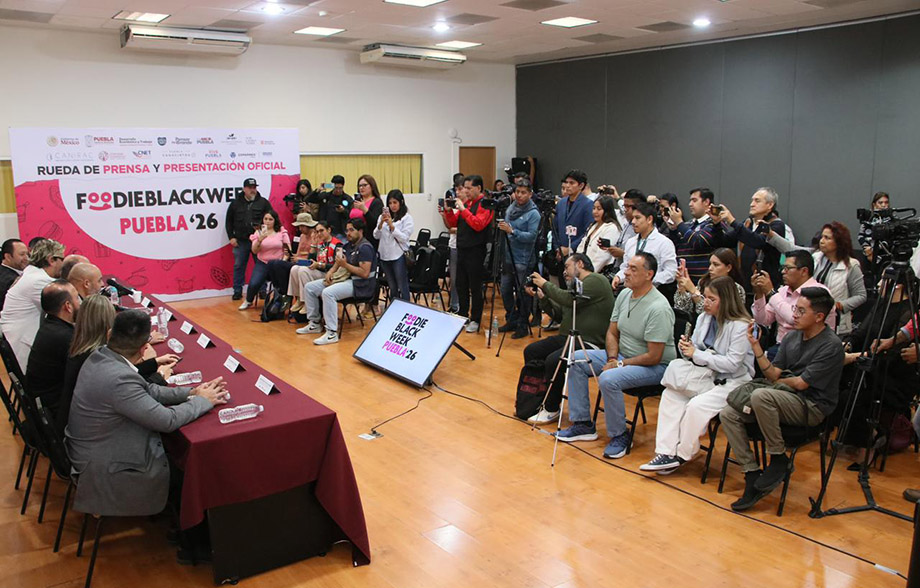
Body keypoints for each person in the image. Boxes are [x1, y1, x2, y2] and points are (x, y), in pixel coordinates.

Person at [65, 310, 228, 518]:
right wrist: (203, 401)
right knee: (193, 473)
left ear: (109, 334)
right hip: (105, 468)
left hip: (91, 450)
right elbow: (167, 420)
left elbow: (148, 389)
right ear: (144, 349)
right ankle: (188, 531)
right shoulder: (120, 379)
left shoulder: (99, 356)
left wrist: (191, 392)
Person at [720, 288, 843, 512]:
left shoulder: (831, 345)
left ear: (819, 317)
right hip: (782, 398)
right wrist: (756, 347)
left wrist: (778, 382)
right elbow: (773, 374)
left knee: (761, 395)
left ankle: (778, 458)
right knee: (728, 413)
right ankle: (751, 472)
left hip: (811, 407)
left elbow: (802, 384)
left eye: (801, 311)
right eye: (795, 308)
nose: (794, 314)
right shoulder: (792, 337)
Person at [557, 252, 677, 459]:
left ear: (649, 274)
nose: (626, 273)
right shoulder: (624, 295)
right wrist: (613, 359)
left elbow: (654, 356)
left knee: (608, 378)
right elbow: (612, 332)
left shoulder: (659, 307)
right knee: (576, 358)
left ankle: (620, 435)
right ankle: (583, 423)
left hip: (656, 367)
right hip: (622, 357)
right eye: (627, 267)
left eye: (633, 269)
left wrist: (620, 364)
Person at [641, 276, 754, 473]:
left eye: (712, 299)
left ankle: (682, 454)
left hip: (733, 382)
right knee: (671, 393)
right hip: (707, 374)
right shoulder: (704, 318)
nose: (705, 302)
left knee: (696, 406)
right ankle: (665, 452)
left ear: (726, 301)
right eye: (705, 297)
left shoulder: (741, 326)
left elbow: (732, 364)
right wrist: (686, 347)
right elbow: (697, 351)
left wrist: (698, 354)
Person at [523, 254, 615, 423]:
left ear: (580, 264)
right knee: (532, 351)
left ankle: (551, 408)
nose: (564, 272)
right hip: (568, 337)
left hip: (590, 342)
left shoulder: (596, 280)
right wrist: (543, 297)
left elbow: (567, 299)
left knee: (554, 360)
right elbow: (559, 315)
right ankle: (536, 399)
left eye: (567, 267)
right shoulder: (575, 288)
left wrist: (544, 283)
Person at [298, 218, 377, 345]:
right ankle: (315, 323)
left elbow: (364, 273)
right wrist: (331, 271)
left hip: (360, 284)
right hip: (346, 279)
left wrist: (345, 265)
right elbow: (338, 261)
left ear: (360, 231)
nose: (348, 233)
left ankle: (331, 333)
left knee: (328, 293)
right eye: (347, 230)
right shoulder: (348, 246)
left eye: (351, 230)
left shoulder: (365, 248)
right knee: (309, 287)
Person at [751, 249, 835, 358]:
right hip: (781, 346)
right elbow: (762, 320)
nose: (783, 272)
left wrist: (770, 293)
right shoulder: (782, 291)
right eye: (782, 268)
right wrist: (759, 294)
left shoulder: (819, 292)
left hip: (810, 349)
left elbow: (794, 318)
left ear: (804, 271)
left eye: (788, 268)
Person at [0, 238, 66, 372]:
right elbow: (69, 310)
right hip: (24, 347)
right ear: (51, 260)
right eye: (62, 259)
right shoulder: (39, 281)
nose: (63, 264)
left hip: (21, 340)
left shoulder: (32, 275)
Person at [714, 187, 786, 296]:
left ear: (770, 205)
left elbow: (758, 242)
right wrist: (716, 224)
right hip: (744, 284)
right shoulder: (747, 224)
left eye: (757, 201)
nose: (752, 204)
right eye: (752, 200)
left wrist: (732, 221)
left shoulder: (776, 225)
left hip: (764, 286)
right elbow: (724, 242)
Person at [444, 175, 493, 333]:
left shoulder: (485, 204)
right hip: (462, 248)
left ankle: (476, 319)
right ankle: (463, 315)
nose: (465, 191)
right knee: (461, 284)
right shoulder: (467, 203)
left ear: (479, 188)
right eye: (464, 188)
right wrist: (447, 211)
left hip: (476, 250)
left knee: (475, 286)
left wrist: (463, 210)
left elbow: (478, 224)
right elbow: (453, 222)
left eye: (469, 188)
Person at [25, 280, 81, 413]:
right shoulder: (65, 337)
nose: (80, 303)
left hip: (41, 400)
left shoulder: (49, 324)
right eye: (77, 298)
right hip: (55, 408)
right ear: (68, 306)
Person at [497, 180, 540, 339]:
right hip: (508, 256)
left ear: (530, 194)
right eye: (517, 192)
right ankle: (511, 318)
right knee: (505, 290)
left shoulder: (534, 213)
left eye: (523, 192)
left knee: (523, 294)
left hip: (523, 259)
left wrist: (512, 231)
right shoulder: (511, 208)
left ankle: (523, 324)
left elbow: (532, 237)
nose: (520, 195)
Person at [612, 202, 678, 297]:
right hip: (630, 291)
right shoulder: (630, 242)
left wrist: (647, 279)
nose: (633, 221)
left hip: (654, 292)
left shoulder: (664, 243)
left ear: (649, 219)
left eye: (637, 218)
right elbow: (626, 267)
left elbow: (671, 272)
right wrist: (619, 276)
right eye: (633, 218)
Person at [812, 222, 867, 334]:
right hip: (812, 318)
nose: (821, 241)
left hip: (837, 322)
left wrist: (839, 305)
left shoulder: (851, 265)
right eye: (822, 237)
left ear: (839, 242)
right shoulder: (815, 258)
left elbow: (861, 295)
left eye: (827, 238)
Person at [226, 178, 275, 301]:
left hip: (258, 241)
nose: (253, 190)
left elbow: (271, 219)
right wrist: (231, 237)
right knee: (239, 266)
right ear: (244, 189)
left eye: (254, 187)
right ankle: (237, 291)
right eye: (250, 188)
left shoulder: (263, 202)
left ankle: (262, 290)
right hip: (241, 241)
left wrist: (266, 236)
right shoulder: (235, 203)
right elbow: (229, 221)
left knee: (261, 265)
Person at [666, 188, 724, 284]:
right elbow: (675, 247)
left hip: (705, 282)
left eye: (694, 200)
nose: (690, 204)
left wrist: (679, 222)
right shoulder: (687, 225)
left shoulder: (715, 224)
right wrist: (673, 230)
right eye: (690, 201)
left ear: (706, 202)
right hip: (684, 281)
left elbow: (698, 242)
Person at [239, 210, 290, 310]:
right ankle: (248, 300)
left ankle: (279, 303)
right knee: (254, 283)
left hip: (277, 263)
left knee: (280, 284)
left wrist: (283, 261)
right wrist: (260, 239)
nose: (267, 221)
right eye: (265, 219)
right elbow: (254, 251)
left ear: (275, 220)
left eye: (270, 219)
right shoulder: (258, 232)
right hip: (263, 262)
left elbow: (288, 249)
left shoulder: (281, 232)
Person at [674, 248, 746, 317]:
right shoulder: (703, 282)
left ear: (728, 267)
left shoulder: (736, 289)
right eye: (710, 264)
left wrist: (694, 292)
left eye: (716, 265)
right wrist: (682, 288)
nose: (710, 268)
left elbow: (714, 315)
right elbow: (682, 310)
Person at [268, 212, 317, 311]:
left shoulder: (315, 237)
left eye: (302, 226)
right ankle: (281, 291)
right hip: (297, 262)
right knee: (271, 263)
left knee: (278, 265)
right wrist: (291, 255)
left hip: (306, 264)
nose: (300, 229)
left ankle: (285, 293)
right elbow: (298, 254)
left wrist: (299, 259)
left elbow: (314, 257)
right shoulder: (302, 236)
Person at [374, 189, 414, 302]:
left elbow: (404, 238)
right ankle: (393, 307)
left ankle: (406, 306)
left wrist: (392, 226)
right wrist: (381, 223)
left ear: (401, 202)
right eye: (390, 203)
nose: (392, 206)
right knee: (392, 286)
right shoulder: (382, 217)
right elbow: (376, 235)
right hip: (384, 255)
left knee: (402, 284)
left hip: (398, 255)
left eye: (395, 202)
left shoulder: (407, 218)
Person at [552, 169, 594, 262]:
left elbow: (588, 232)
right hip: (560, 251)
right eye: (566, 182)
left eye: (571, 183)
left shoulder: (588, 204)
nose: (567, 186)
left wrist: (570, 248)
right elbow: (555, 228)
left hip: (577, 254)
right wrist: (557, 248)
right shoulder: (561, 203)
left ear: (581, 185)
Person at [576, 194, 621, 276]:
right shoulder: (593, 225)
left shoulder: (612, 228)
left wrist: (589, 273)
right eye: (594, 208)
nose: (595, 212)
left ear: (607, 210)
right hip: (583, 269)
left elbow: (603, 256)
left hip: (598, 273)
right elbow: (581, 246)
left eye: (599, 209)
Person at [441, 173, 465, 314]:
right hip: (454, 244)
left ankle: (462, 306)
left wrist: (456, 229)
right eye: (456, 189)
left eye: (460, 189)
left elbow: (464, 227)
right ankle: (455, 305)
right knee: (454, 278)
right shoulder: (454, 205)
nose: (457, 192)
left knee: (463, 279)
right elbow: (449, 226)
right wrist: (445, 213)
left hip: (465, 246)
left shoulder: (466, 206)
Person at [307, 175, 353, 240]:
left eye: (340, 188)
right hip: (324, 230)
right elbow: (308, 199)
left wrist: (343, 210)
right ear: (332, 186)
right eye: (336, 188)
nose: (338, 190)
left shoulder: (348, 199)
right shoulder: (325, 196)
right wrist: (317, 190)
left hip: (341, 232)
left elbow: (351, 215)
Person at [857, 191, 890, 261]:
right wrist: (867, 248)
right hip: (868, 253)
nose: (883, 205)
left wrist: (874, 249)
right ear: (874, 204)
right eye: (880, 203)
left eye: (886, 202)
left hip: (884, 254)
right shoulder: (868, 218)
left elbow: (890, 239)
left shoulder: (891, 219)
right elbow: (861, 236)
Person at [0, 238, 29, 311]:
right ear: (8, 257)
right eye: (22, 254)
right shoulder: (11, 280)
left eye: (27, 254)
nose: (27, 258)